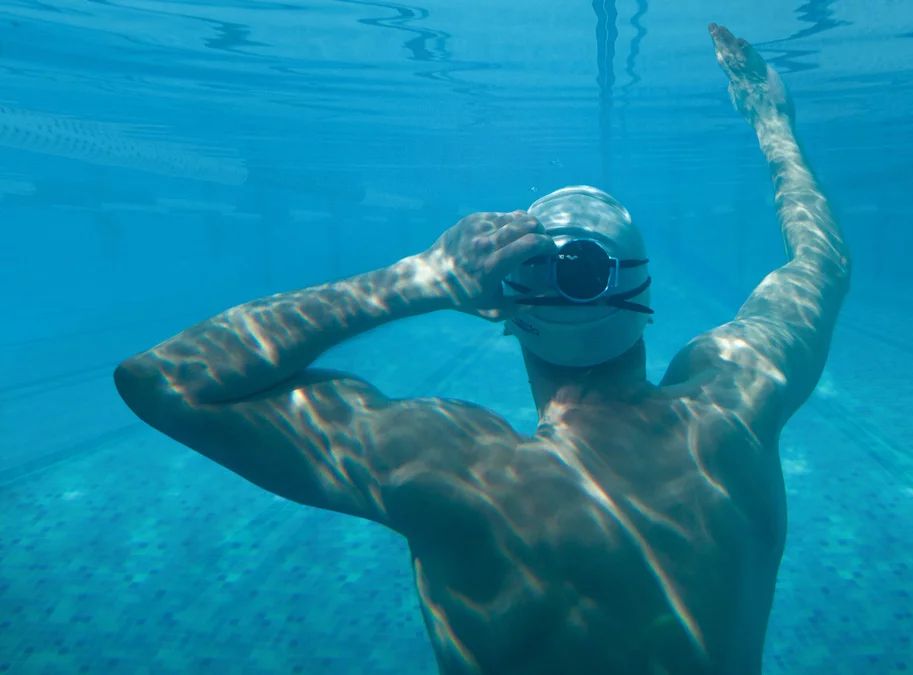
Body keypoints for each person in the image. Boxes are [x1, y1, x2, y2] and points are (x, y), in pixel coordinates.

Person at [114, 23, 850, 675]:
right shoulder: (738, 402)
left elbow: (165, 380)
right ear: (647, 297)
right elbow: (822, 260)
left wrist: (417, 279)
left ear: (505, 313)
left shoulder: (456, 470)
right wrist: (773, 126)